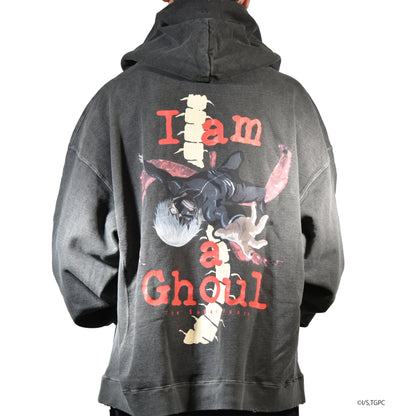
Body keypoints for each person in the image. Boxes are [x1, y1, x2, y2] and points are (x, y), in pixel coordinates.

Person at [51, 0, 344, 415]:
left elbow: (78, 257)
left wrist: (133, 307)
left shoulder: (115, 102)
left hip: (148, 390)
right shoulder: (293, 104)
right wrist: (273, 310)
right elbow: (321, 265)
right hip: (260, 385)